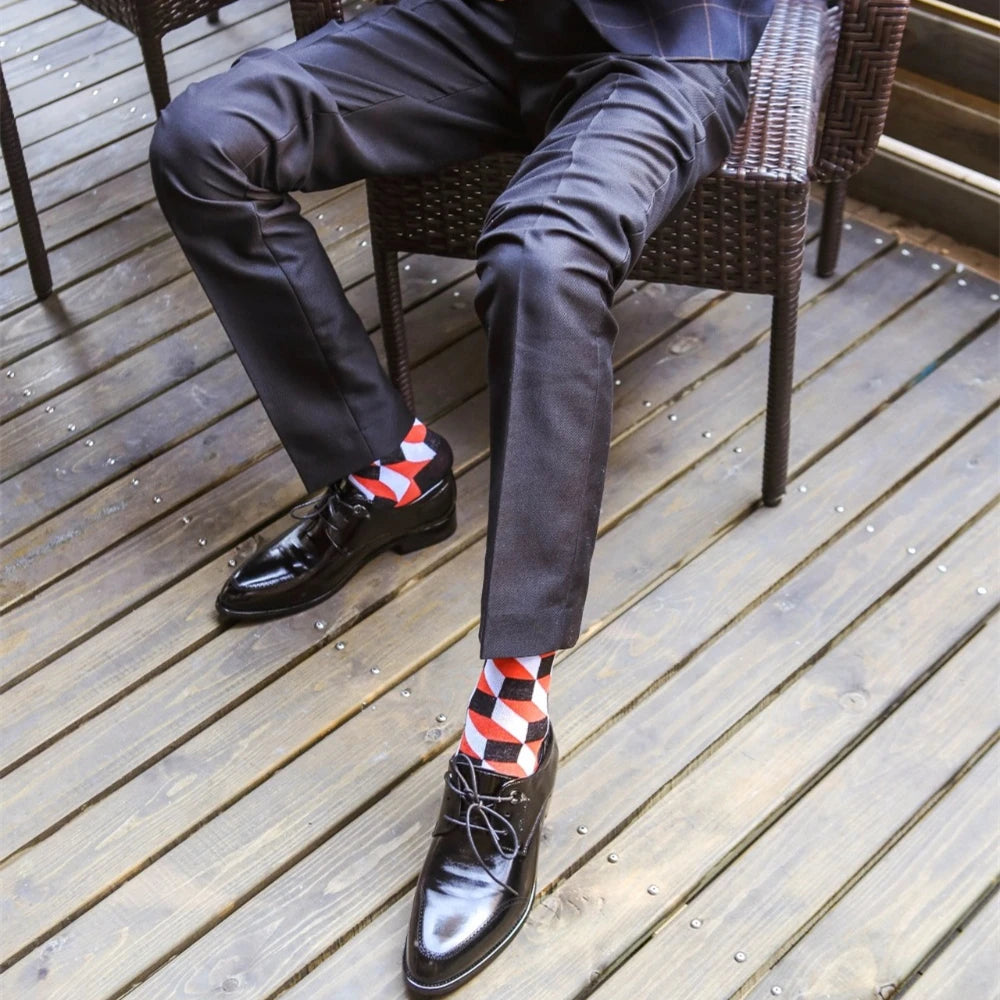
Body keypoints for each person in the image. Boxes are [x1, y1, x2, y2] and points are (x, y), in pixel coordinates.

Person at [149, 0, 774, 992]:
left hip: (663, 50)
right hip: (485, 20)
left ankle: (508, 730)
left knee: (542, 261)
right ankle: (390, 472)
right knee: (205, 138)